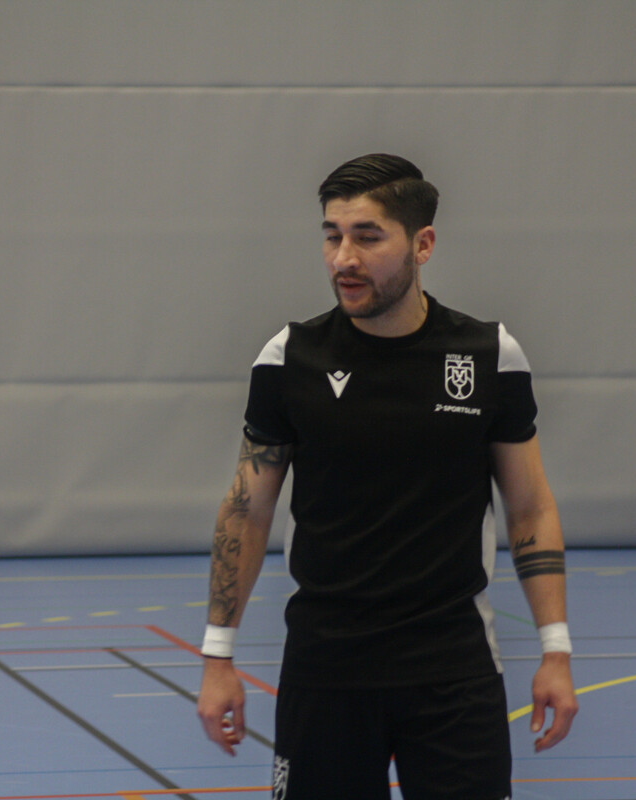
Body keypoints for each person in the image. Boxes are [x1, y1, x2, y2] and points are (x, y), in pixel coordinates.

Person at [196, 153, 577, 800]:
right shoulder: (289, 358)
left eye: (367, 237)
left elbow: (530, 508)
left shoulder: (489, 357)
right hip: (326, 670)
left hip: (454, 670)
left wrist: (556, 650)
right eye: (332, 236)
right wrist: (217, 655)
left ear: (422, 244)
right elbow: (246, 511)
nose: (343, 258)